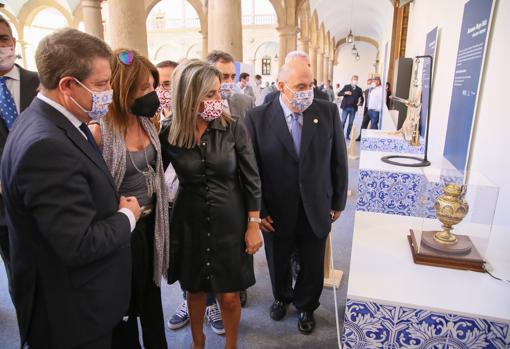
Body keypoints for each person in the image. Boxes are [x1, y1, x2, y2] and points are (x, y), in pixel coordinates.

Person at [0, 28, 140, 349]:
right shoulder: (46, 145)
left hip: (81, 302)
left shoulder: (51, 119)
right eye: (102, 85)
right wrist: (127, 216)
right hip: (72, 316)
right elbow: (78, 245)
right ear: (67, 85)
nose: (110, 91)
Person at [160, 60, 262, 349]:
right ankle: (197, 342)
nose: (218, 100)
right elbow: (151, 172)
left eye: (218, 93)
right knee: (194, 291)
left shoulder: (233, 128)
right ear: (189, 96)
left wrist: (253, 224)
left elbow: (252, 179)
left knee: (229, 295)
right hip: (188, 221)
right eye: (210, 94)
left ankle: (231, 345)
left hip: (230, 220)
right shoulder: (169, 131)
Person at [245, 60, 348, 335]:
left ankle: (306, 306)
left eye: (311, 85)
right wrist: (259, 210)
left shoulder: (327, 111)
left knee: (313, 261)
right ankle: (282, 296)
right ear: (281, 87)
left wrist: (338, 200)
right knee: (277, 259)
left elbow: (339, 159)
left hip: (316, 204)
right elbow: (251, 169)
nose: (308, 91)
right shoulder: (258, 118)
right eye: (301, 86)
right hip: (275, 208)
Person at [88, 49, 169, 349]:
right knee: (123, 306)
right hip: (122, 232)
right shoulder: (100, 132)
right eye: (144, 88)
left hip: (150, 227)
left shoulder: (148, 121)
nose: (152, 94)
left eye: (153, 86)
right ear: (124, 91)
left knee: (151, 300)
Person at [0, 15, 39, 302]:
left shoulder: (40, 83)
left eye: (2, 39)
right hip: (3, 209)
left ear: (13, 42)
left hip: (46, 197)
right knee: (20, 274)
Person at [263, 51, 329, 104]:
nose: (306, 69)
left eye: (308, 66)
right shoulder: (270, 99)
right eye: (300, 66)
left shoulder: (322, 98)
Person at [338, 75, 364, 139]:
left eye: (356, 80)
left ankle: (347, 135)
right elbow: (339, 93)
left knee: (350, 123)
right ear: (351, 80)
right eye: (354, 79)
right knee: (343, 121)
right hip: (345, 107)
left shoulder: (359, 89)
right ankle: (340, 135)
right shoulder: (346, 87)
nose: (355, 81)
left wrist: (360, 103)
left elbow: (362, 98)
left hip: (353, 108)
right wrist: (345, 92)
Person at [154, 59, 178, 129]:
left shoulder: (193, 120)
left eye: (167, 84)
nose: (161, 89)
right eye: (157, 84)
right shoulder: (150, 121)